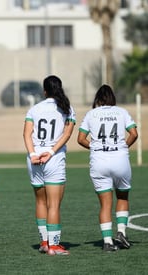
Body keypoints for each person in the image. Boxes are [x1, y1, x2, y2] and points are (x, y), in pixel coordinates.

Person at [77, 84, 138, 252]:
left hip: (99, 161)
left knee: (105, 204)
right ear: (112, 98)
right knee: (123, 197)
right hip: (120, 159)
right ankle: (121, 232)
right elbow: (134, 134)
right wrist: (123, 146)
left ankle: (107, 242)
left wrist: (95, 148)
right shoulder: (122, 112)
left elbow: (81, 139)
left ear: (98, 99)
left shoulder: (91, 114)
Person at [23, 75, 76, 256]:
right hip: (53, 159)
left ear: (44, 91)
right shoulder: (67, 109)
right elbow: (67, 134)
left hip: (34, 159)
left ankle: (45, 242)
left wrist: (32, 154)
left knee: (40, 201)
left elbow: (26, 134)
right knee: (53, 205)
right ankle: (54, 246)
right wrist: (51, 152)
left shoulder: (34, 109)